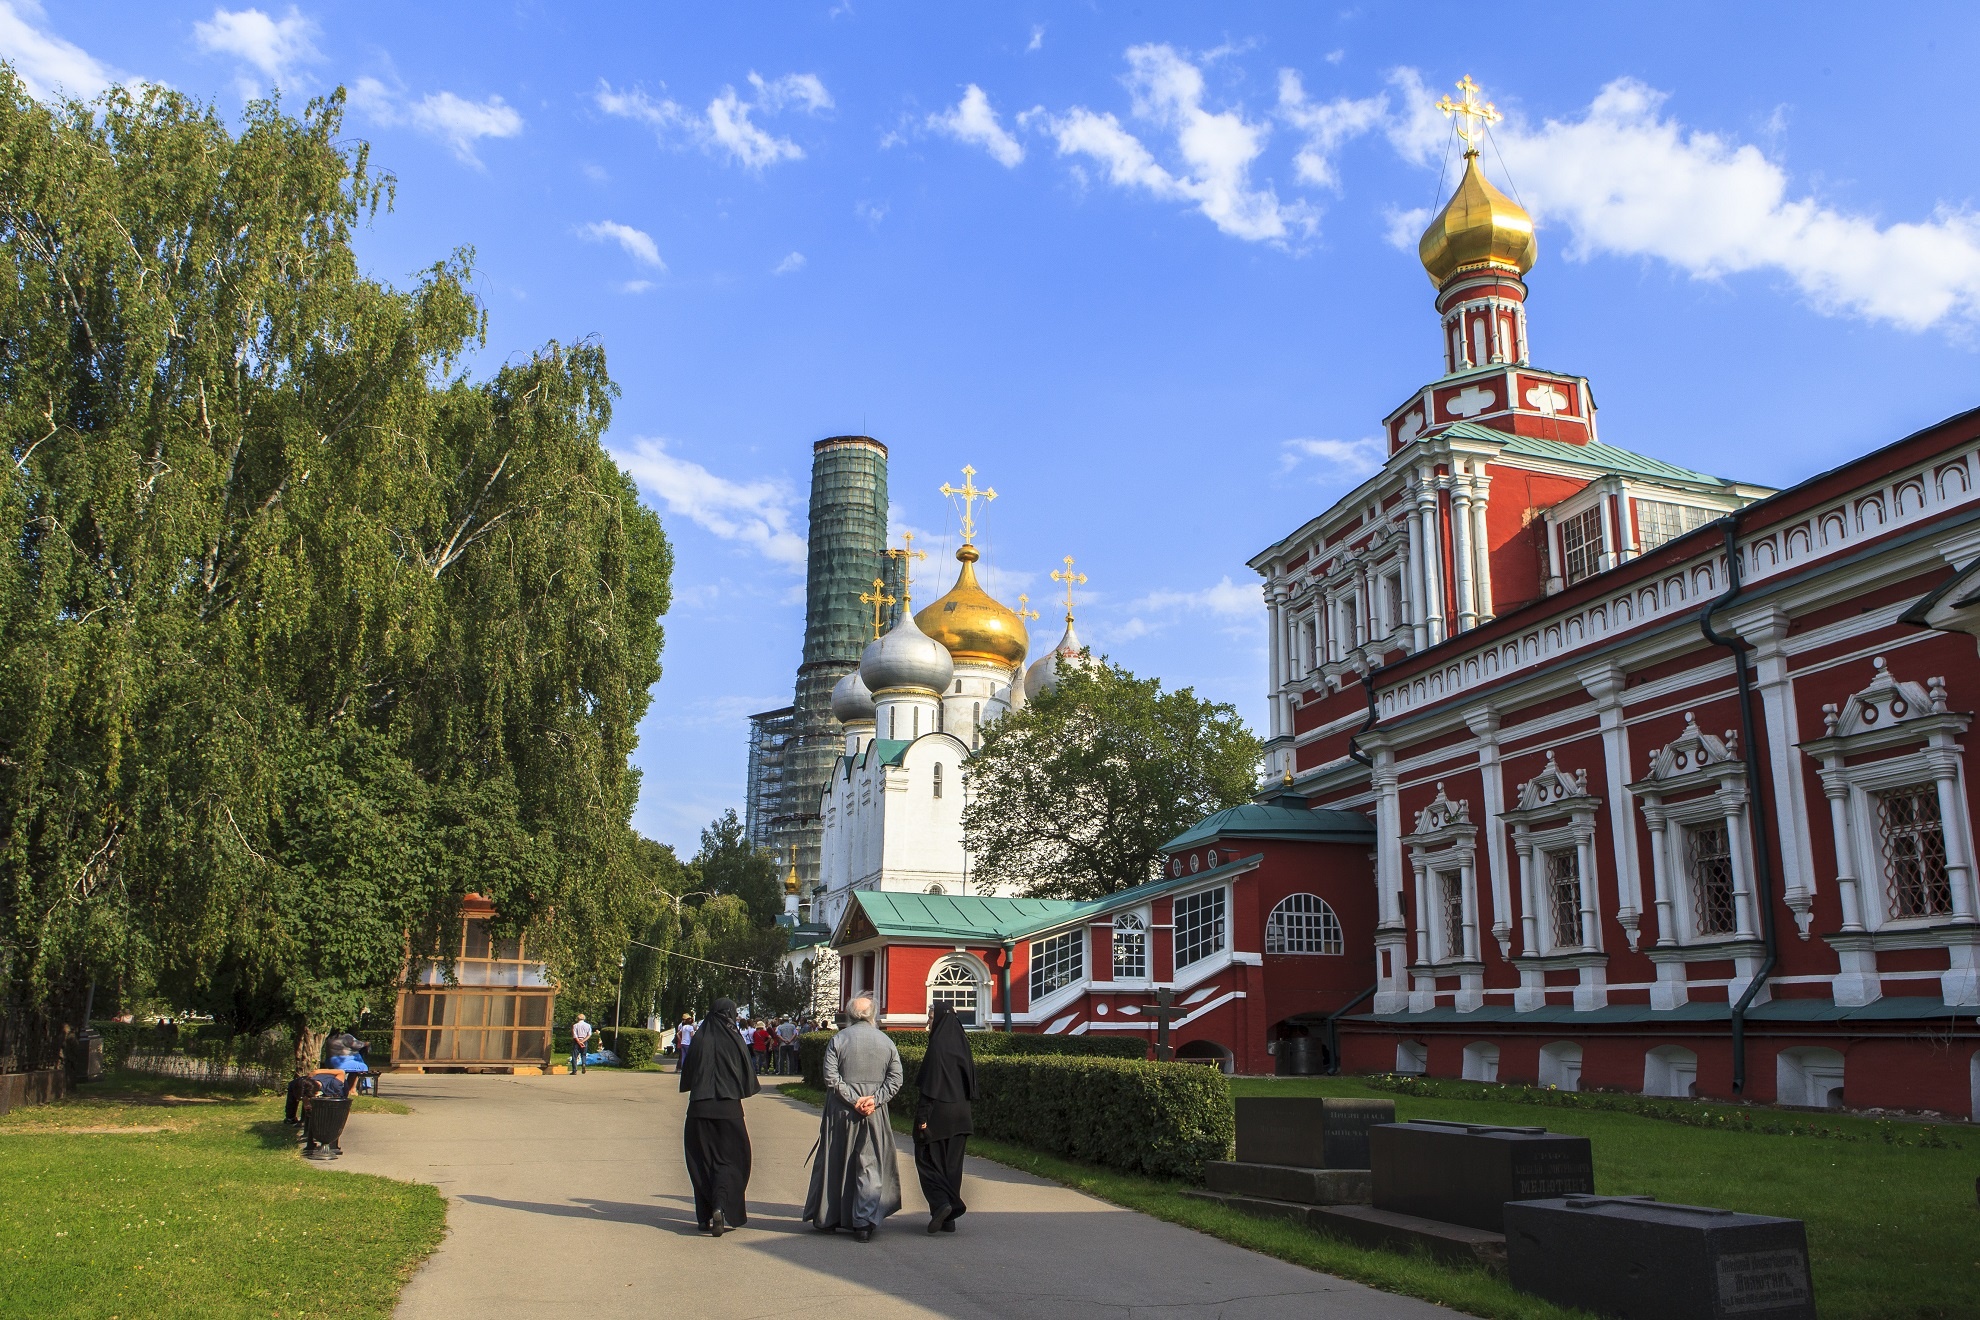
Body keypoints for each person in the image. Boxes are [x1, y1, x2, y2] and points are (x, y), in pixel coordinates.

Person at [802, 997, 903, 1242]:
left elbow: (831, 1077)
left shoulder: (838, 1040)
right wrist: (874, 1099)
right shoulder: (886, 1041)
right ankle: (864, 1222)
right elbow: (896, 1079)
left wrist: (852, 1099)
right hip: (874, 1113)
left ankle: (829, 1217)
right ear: (872, 1015)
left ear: (849, 1014)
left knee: (835, 1161)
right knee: (869, 1165)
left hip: (841, 1111)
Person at [679, 998, 759, 1235]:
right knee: (732, 1160)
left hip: (698, 1110)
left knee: (701, 1162)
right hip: (729, 1110)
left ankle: (703, 1217)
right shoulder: (734, 1039)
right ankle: (720, 1205)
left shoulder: (700, 1038)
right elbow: (747, 1071)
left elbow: (689, 1070)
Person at [913, 1003, 977, 1234]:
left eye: (930, 1018)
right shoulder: (962, 1044)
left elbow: (930, 1087)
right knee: (952, 1166)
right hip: (961, 1116)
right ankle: (949, 1220)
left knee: (927, 1161)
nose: (928, 1023)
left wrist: (922, 1119)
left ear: (939, 1019)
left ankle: (942, 1204)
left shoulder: (937, 1046)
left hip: (937, 1115)